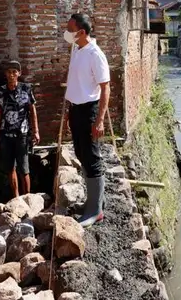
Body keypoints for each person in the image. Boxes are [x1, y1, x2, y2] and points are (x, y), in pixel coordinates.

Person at [64, 13, 110, 227]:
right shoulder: (76, 49)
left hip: (89, 110)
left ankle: (96, 211)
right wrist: (68, 111)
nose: (66, 32)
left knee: (92, 157)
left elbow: (105, 87)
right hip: (75, 110)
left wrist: (99, 120)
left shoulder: (95, 54)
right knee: (81, 153)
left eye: (70, 28)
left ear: (81, 32)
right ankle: (92, 201)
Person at [0, 61, 39, 201]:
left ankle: (27, 197)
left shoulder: (26, 89)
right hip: (5, 135)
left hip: (22, 134)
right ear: (5, 74)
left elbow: (32, 110)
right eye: (9, 72)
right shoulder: (1, 91)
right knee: (10, 168)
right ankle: (16, 197)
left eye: (14, 72)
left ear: (19, 73)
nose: (11, 75)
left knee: (24, 168)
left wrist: (36, 131)